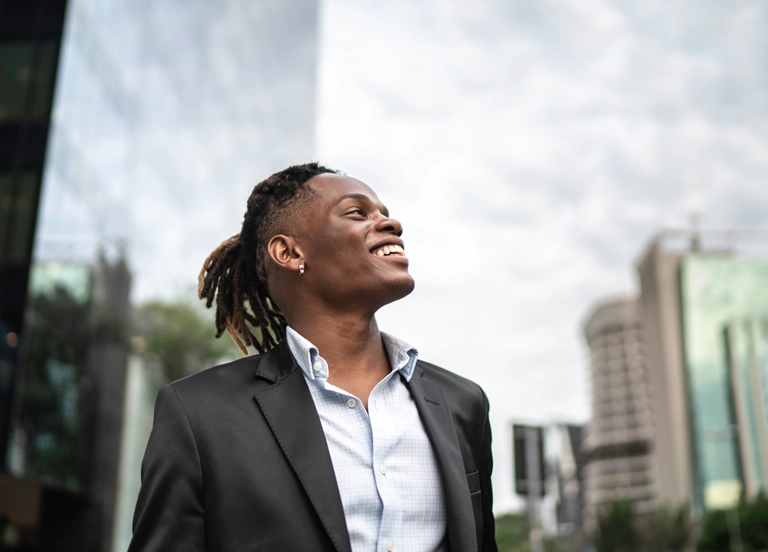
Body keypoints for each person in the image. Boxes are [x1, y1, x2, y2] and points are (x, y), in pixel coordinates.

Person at [128, 163, 497, 552]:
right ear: (289, 252)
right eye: (357, 213)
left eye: (385, 214)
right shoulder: (198, 413)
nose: (392, 224)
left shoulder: (461, 403)